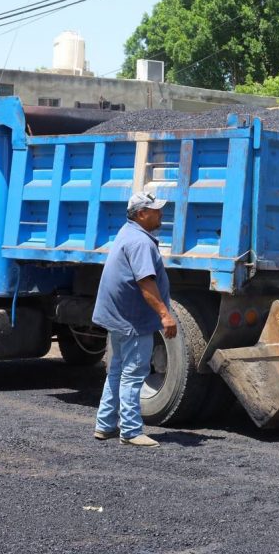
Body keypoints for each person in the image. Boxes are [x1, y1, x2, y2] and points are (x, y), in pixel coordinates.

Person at [91, 191, 177, 447]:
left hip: (119, 316)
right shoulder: (140, 242)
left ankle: (105, 425)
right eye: (156, 210)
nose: (161, 213)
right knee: (133, 371)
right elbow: (145, 283)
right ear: (141, 214)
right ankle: (130, 431)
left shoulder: (127, 232)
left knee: (117, 369)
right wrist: (165, 314)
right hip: (132, 319)